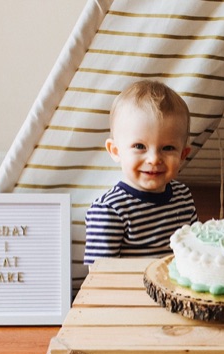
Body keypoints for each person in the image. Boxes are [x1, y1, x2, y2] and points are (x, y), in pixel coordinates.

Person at [84, 80, 197, 265]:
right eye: (139, 146)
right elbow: (100, 278)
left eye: (168, 148)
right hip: (128, 292)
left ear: (183, 154)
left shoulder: (183, 197)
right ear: (115, 151)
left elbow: (193, 255)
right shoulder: (109, 211)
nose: (154, 159)